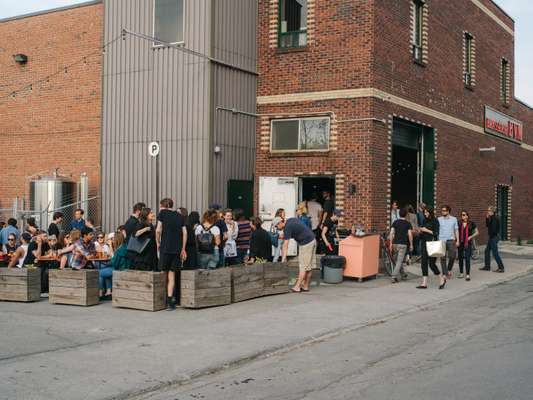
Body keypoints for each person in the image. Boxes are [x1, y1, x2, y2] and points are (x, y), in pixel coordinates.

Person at [156, 198, 187, 310]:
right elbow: (184, 232)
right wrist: (183, 248)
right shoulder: (179, 216)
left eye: (160, 206)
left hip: (165, 248)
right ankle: (171, 301)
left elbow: (158, 230)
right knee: (172, 275)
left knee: (163, 273)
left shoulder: (162, 213)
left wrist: (158, 242)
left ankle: (162, 299)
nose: (159, 208)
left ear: (166, 205)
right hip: (176, 250)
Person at [276, 216, 316, 292]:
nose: (277, 228)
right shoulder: (291, 220)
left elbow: (285, 245)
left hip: (306, 244)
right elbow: (297, 230)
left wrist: (283, 258)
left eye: (276, 226)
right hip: (312, 239)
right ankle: (305, 286)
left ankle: (297, 287)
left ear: (280, 222)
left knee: (303, 266)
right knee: (309, 266)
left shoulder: (287, 227)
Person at [417, 207, 445, 289]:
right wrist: (420, 231)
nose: (425, 214)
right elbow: (422, 232)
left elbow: (436, 233)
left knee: (432, 264)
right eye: (424, 212)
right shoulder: (424, 220)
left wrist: (426, 230)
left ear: (430, 212)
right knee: (423, 263)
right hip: (424, 243)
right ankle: (424, 283)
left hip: (432, 244)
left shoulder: (435, 221)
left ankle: (441, 278)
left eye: (426, 212)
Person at [389, 208, 413, 283]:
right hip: (403, 244)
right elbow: (410, 234)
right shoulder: (408, 223)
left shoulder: (395, 222)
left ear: (399, 214)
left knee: (397, 261)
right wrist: (411, 244)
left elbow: (391, 233)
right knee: (399, 261)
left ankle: (403, 274)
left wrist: (390, 243)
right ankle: (394, 276)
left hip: (395, 244)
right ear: (406, 215)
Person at [437, 205, 459, 279]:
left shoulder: (454, 219)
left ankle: (449, 269)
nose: (443, 212)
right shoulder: (439, 219)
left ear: (448, 211)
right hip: (441, 240)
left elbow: (456, 230)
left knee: (452, 256)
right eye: (442, 210)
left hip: (451, 240)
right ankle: (444, 273)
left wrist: (457, 240)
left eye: (444, 210)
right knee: (442, 258)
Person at [482, 206, 505, 273]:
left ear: (492, 211)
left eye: (488, 210)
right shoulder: (491, 218)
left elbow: (494, 230)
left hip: (493, 237)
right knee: (487, 251)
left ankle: (501, 268)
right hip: (492, 237)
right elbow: (487, 225)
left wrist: (491, 238)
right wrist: (486, 218)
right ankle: (487, 266)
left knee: (495, 253)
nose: (487, 211)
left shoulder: (494, 218)